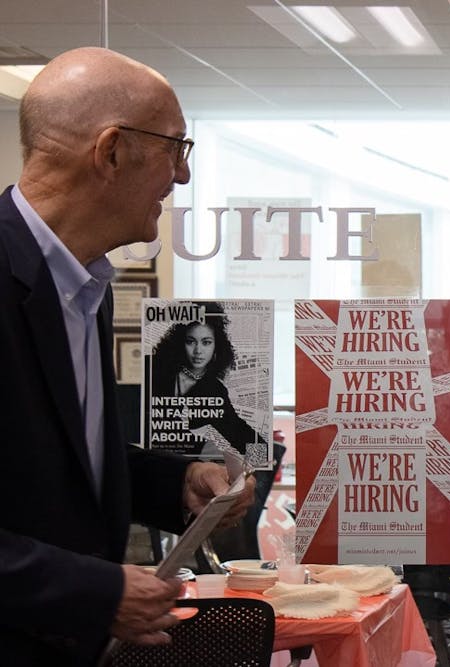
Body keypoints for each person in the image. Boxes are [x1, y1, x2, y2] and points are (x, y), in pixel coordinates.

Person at [0, 47, 256, 665]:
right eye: (176, 148)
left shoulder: (83, 288)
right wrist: (90, 589)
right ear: (112, 151)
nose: (183, 176)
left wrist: (178, 485)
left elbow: (59, 467)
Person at [148, 302, 267, 458]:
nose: (198, 351)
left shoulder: (214, 390)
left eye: (206, 342)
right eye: (191, 341)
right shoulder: (154, 370)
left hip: (187, 473)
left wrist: (266, 457)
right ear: (179, 343)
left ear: (217, 346)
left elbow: (238, 432)